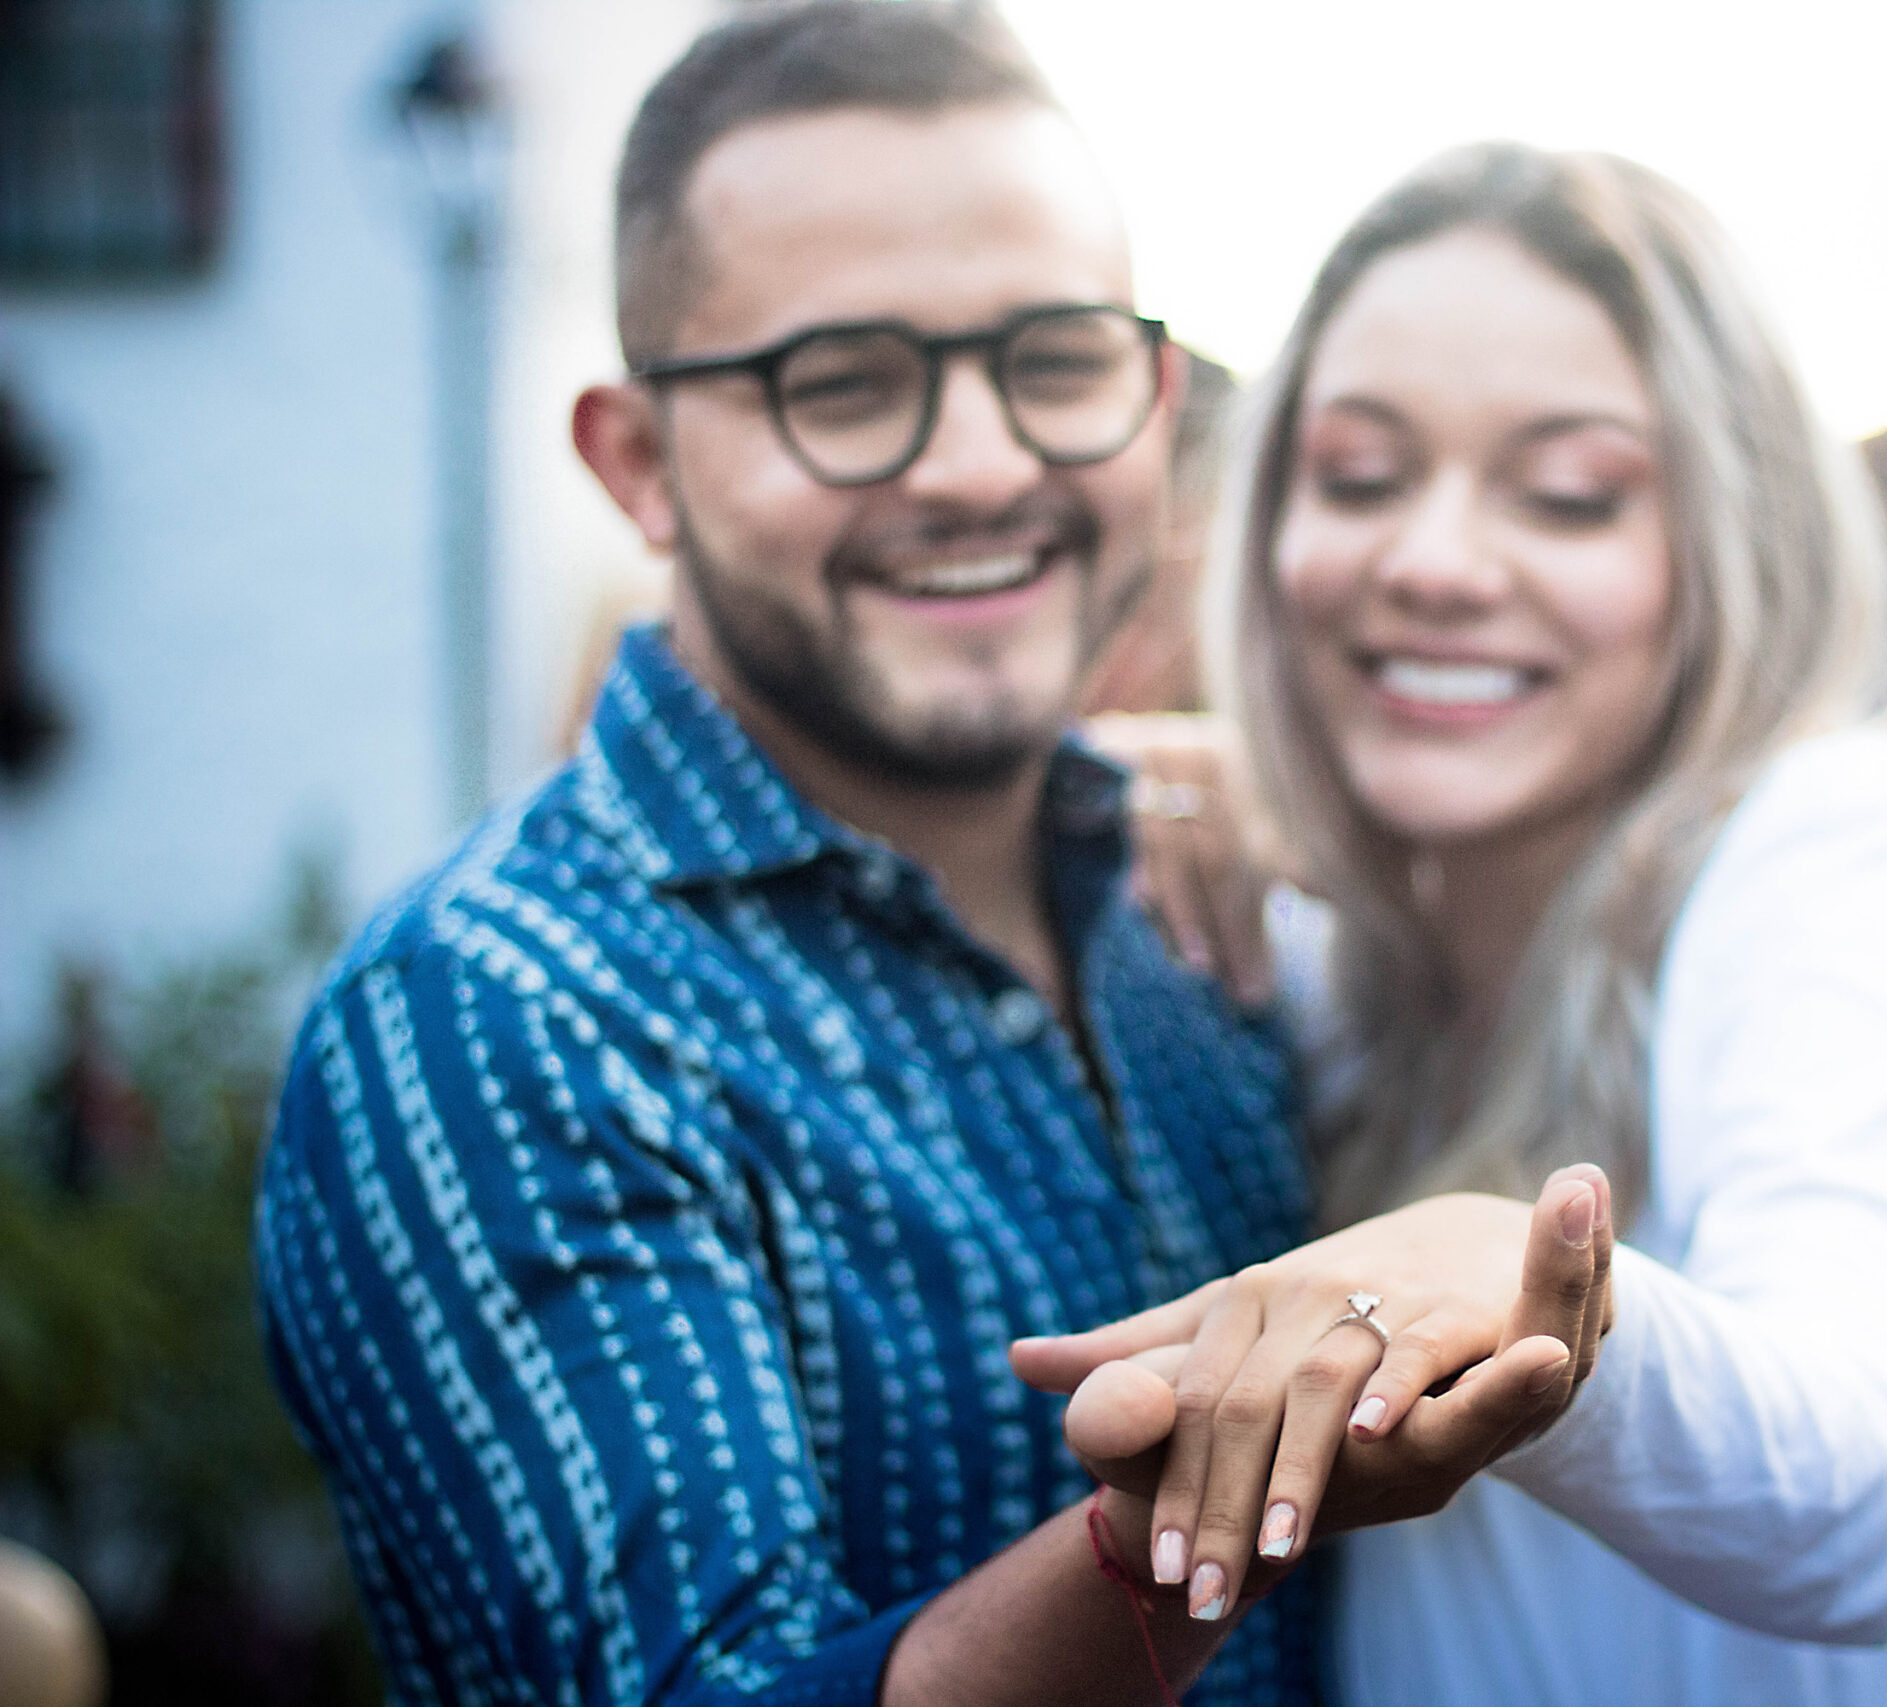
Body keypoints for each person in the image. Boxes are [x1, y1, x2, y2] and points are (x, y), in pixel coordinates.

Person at [251, 11, 1610, 1705]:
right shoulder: (500, 1014)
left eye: (1053, 363)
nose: (980, 467)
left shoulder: (1189, 917)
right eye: (843, 386)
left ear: (1153, 398)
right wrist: (1175, 1539)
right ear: (638, 463)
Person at [1028, 143, 1887, 1705]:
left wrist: (1527, 1288)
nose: (1434, 564)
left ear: (1728, 545)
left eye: (1570, 497)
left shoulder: (1840, 843)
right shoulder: (1340, 960)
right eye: (1360, 477)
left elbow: (1886, 1494)